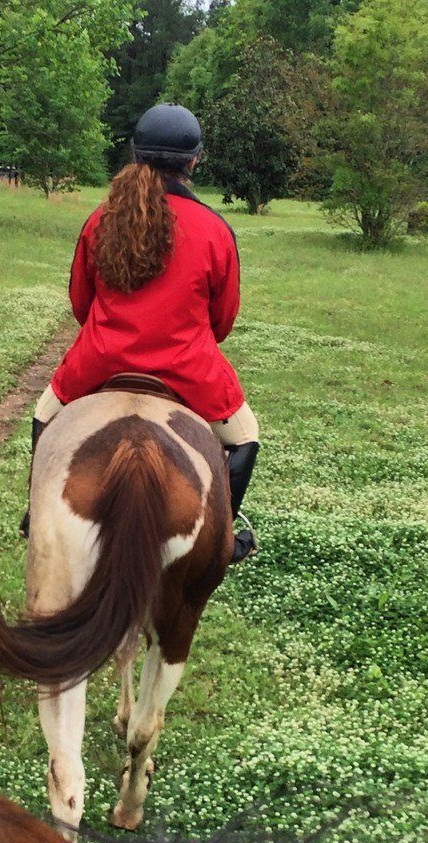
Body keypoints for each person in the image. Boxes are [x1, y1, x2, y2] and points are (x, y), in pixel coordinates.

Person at [25, 103, 259, 564]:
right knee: (246, 435)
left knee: (44, 414)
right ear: (193, 161)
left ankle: (36, 512)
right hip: (188, 368)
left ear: (135, 153)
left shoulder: (101, 218)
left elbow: (80, 301)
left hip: (100, 359)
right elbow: (223, 319)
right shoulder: (215, 229)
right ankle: (224, 532)